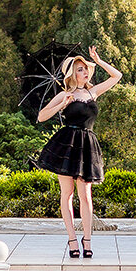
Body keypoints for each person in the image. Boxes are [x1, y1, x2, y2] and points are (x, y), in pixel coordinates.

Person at [35, 46, 122, 258]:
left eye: (85, 69)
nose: (84, 72)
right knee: (67, 195)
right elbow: (41, 117)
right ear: (72, 74)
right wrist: (62, 104)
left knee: (86, 195)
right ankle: (72, 239)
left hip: (87, 145)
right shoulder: (65, 94)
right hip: (67, 144)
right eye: (80, 69)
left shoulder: (93, 92)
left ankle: (88, 239)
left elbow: (117, 76)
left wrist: (98, 61)